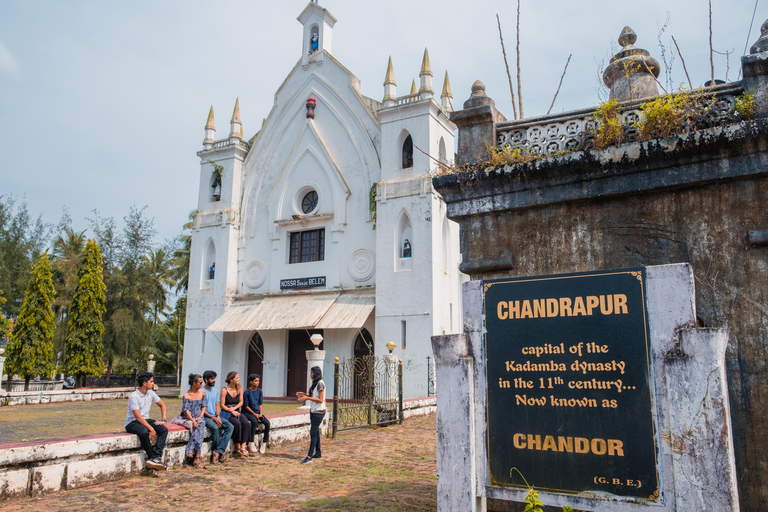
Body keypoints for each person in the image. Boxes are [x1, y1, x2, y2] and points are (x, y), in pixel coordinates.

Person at [125, 371, 168, 470]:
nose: (153, 384)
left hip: (145, 420)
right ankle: (151, 456)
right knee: (144, 432)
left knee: (163, 429)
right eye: (151, 381)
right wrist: (151, 429)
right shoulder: (134, 396)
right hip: (132, 423)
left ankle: (157, 456)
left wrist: (164, 419)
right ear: (144, 383)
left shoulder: (150, 393)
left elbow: (162, 405)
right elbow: (138, 417)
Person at [202, 370, 234, 464]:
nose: (214, 380)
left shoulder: (215, 391)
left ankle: (219, 451)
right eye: (212, 379)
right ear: (206, 379)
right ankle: (216, 450)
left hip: (216, 416)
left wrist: (218, 416)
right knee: (215, 428)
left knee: (230, 426)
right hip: (206, 417)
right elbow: (202, 410)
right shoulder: (201, 392)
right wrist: (213, 418)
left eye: (214, 378)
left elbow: (216, 405)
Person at [297, 366, 326, 464]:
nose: (310, 375)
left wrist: (307, 399)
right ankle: (318, 452)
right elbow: (314, 397)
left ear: (316, 374)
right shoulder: (316, 384)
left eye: (312, 373)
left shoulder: (320, 384)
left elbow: (320, 400)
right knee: (316, 431)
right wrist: (305, 395)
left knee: (313, 432)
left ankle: (309, 456)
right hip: (314, 411)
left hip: (319, 412)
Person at [220, 371, 251, 457]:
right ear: (231, 379)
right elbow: (222, 405)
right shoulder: (224, 390)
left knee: (246, 423)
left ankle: (243, 447)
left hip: (237, 411)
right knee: (236, 424)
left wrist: (234, 408)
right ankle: (237, 446)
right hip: (227, 412)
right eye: (237, 378)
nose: (239, 379)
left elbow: (241, 402)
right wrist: (231, 410)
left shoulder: (239, 389)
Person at [179, 373, 206, 468]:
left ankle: (192, 450)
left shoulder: (203, 392)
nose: (201, 384)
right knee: (198, 427)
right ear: (194, 383)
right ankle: (197, 455)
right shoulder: (186, 395)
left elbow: (204, 406)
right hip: (189, 417)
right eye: (200, 383)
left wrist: (200, 416)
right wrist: (193, 420)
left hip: (199, 417)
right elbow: (186, 410)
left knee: (200, 424)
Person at [243, 374, 271, 454]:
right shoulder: (247, 392)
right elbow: (246, 406)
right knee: (254, 422)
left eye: (258, 381)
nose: (257, 382)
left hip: (258, 412)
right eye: (255, 381)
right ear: (251, 382)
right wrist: (255, 415)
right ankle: (251, 442)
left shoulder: (259, 391)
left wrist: (260, 414)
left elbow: (260, 404)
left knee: (267, 423)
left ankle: (264, 442)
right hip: (248, 413)